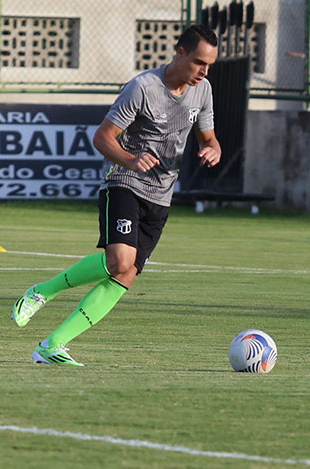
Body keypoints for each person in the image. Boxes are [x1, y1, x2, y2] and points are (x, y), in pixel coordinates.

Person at [11, 24, 221, 366]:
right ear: (180, 52)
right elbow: (102, 137)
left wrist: (213, 149)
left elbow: (209, 138)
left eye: (210, 65)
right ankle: (42, 292)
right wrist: (131, 160)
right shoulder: (143, 88)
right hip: (124, 182)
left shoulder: (204, 91)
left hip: (161, 195)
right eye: (199, 62)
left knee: (126, 274)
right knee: (120, 262)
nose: (205, 71)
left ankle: (53, 345)